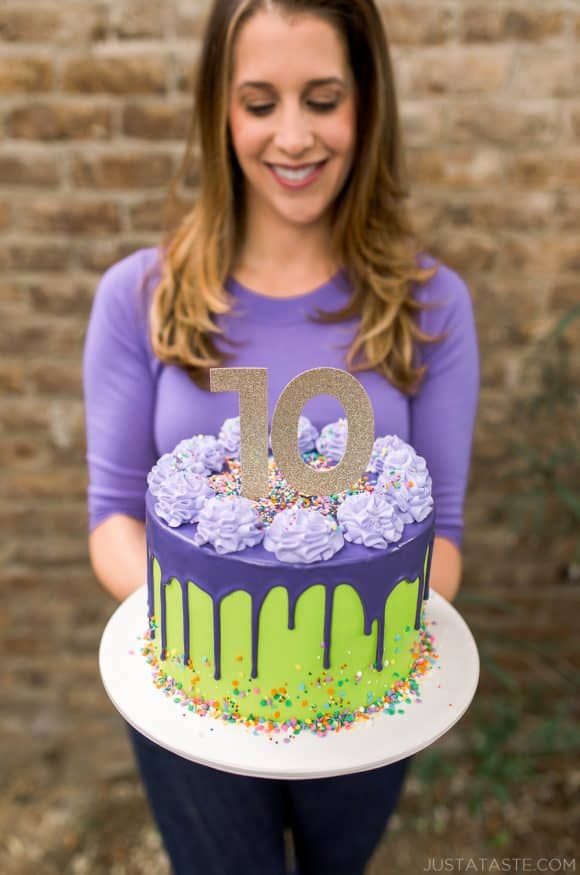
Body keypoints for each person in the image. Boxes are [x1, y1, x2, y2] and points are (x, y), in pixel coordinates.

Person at [83, 1, 479, 873]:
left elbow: (439, 535)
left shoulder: (432, 305)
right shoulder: (137, 296)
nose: (293, 136)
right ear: (218, 112)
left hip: (366, 685)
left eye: (323, 97)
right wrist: (223, 634)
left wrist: (330, 640)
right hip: (196, 688)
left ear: (367, 104)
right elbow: (114, 516)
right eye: (259, 102)